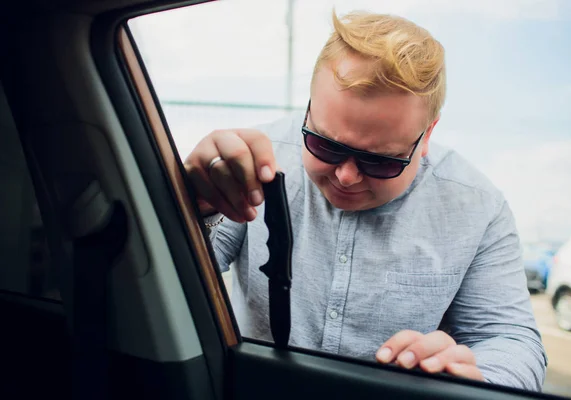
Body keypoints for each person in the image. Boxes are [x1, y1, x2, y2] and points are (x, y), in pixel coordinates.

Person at [184, 10, 547, 391]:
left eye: (380, 159)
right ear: (310, 106)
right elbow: (175, 278)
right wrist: (195, 208)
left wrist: (472, 378)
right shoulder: (257, 161)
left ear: (427, 135)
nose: (346, 175)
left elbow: (512, 341)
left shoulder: (477, 207)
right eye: (325, 143)